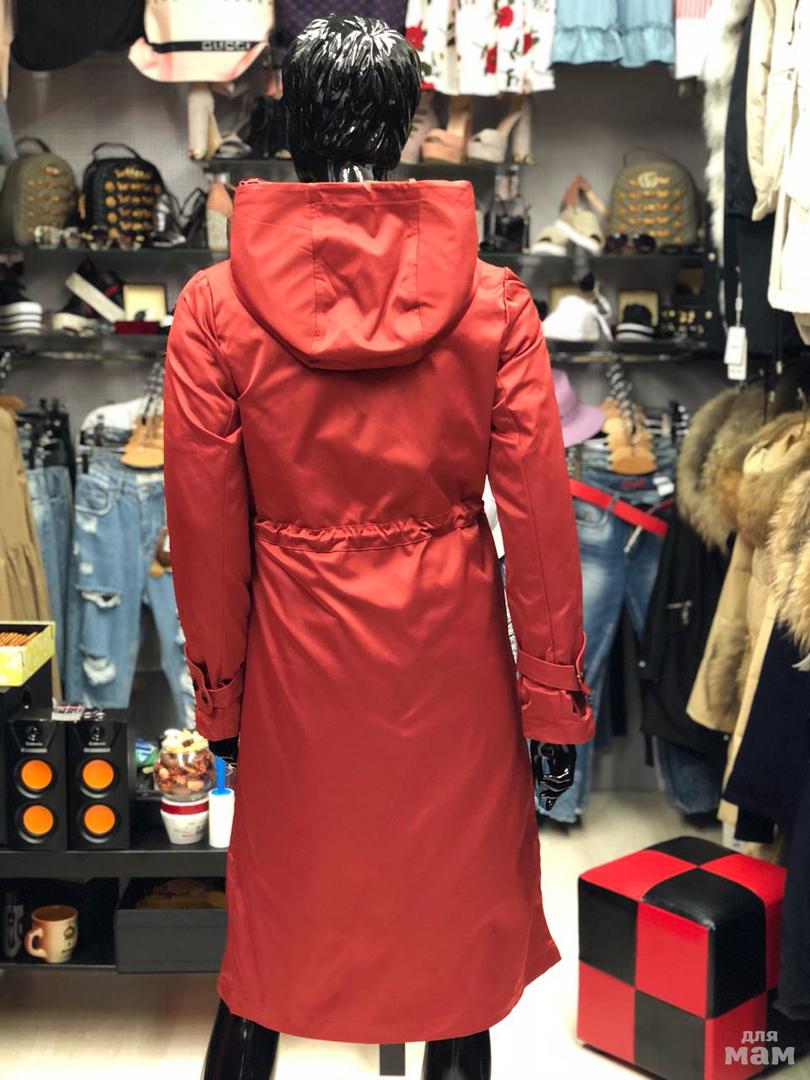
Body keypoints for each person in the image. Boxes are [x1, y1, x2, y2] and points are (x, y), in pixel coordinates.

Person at [163, 14, 593, 1079]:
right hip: (451, 668)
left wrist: (221, 699)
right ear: (405, 126)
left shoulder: (214, 310)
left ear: (289, 122)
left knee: (270, 954)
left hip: (294, 671)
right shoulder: (494, 302)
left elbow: (205, 535)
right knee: (453, 960)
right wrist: (552, 699)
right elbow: (540, 525)